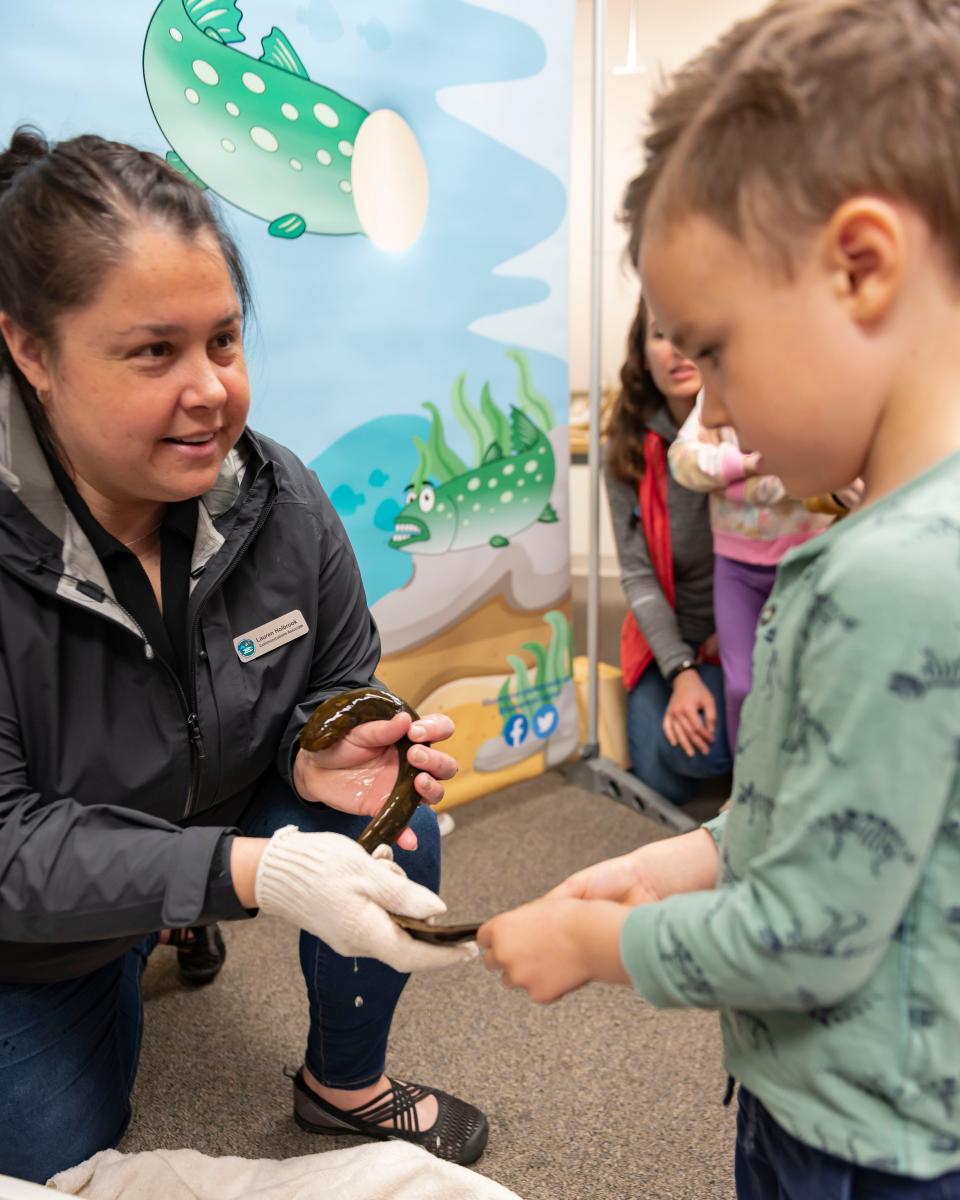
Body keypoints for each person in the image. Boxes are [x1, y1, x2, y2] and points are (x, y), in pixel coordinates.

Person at [480, 1, 960, 1196]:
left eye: (723, 353)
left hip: (857, 1139)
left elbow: (810, 932)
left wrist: (596, 945)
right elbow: (835, 815)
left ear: (860, 267)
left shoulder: (890, 575)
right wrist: (692, 862)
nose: (717, 417)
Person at [0, 128, 487, 1184]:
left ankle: (342, 1087)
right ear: (32, 352)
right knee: (49, 1159)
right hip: (33, 915)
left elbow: (341, 674)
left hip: (208, 810)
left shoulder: (279, 495)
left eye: (224, 341)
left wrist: (331, 750)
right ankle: (151, 928)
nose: (211, 390)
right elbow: (5, 848)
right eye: (152, 352)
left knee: (398, 832)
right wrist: (240, 870)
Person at [604, 299, 732, 805]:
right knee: (661, 772)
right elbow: (637, 577)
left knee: (698, 754)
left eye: (688, 332)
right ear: (642, 353)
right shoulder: (627, 449)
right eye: (660, 335)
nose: (677, 350)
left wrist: (736, 638)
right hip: (670, 640)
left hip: (742, 634)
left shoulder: (751, 430)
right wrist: (681, 672)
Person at [667, 397, 831, 752]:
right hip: (735, 567)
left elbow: (815, 474)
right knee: (741, 687)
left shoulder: (805, 384)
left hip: (806, 558)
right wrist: (751, 464)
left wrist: (728, 479)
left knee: (805, 684)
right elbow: (681, 462)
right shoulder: (713, 393)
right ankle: (744, 790)